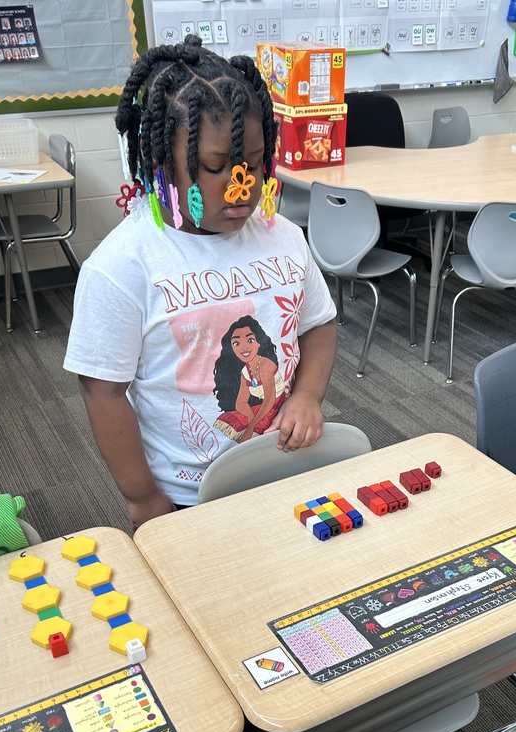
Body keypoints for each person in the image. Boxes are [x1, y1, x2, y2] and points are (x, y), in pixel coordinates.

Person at [64, 35, 337, 529]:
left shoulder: (285, 238)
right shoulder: (123, 266)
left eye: (252, 165)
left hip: (286, 466)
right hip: (190, 494)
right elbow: (102, 394)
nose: (242, 186)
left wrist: (307, 396)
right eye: (214, 167)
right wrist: (143, 496)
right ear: (158, 162)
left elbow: (319, 324)